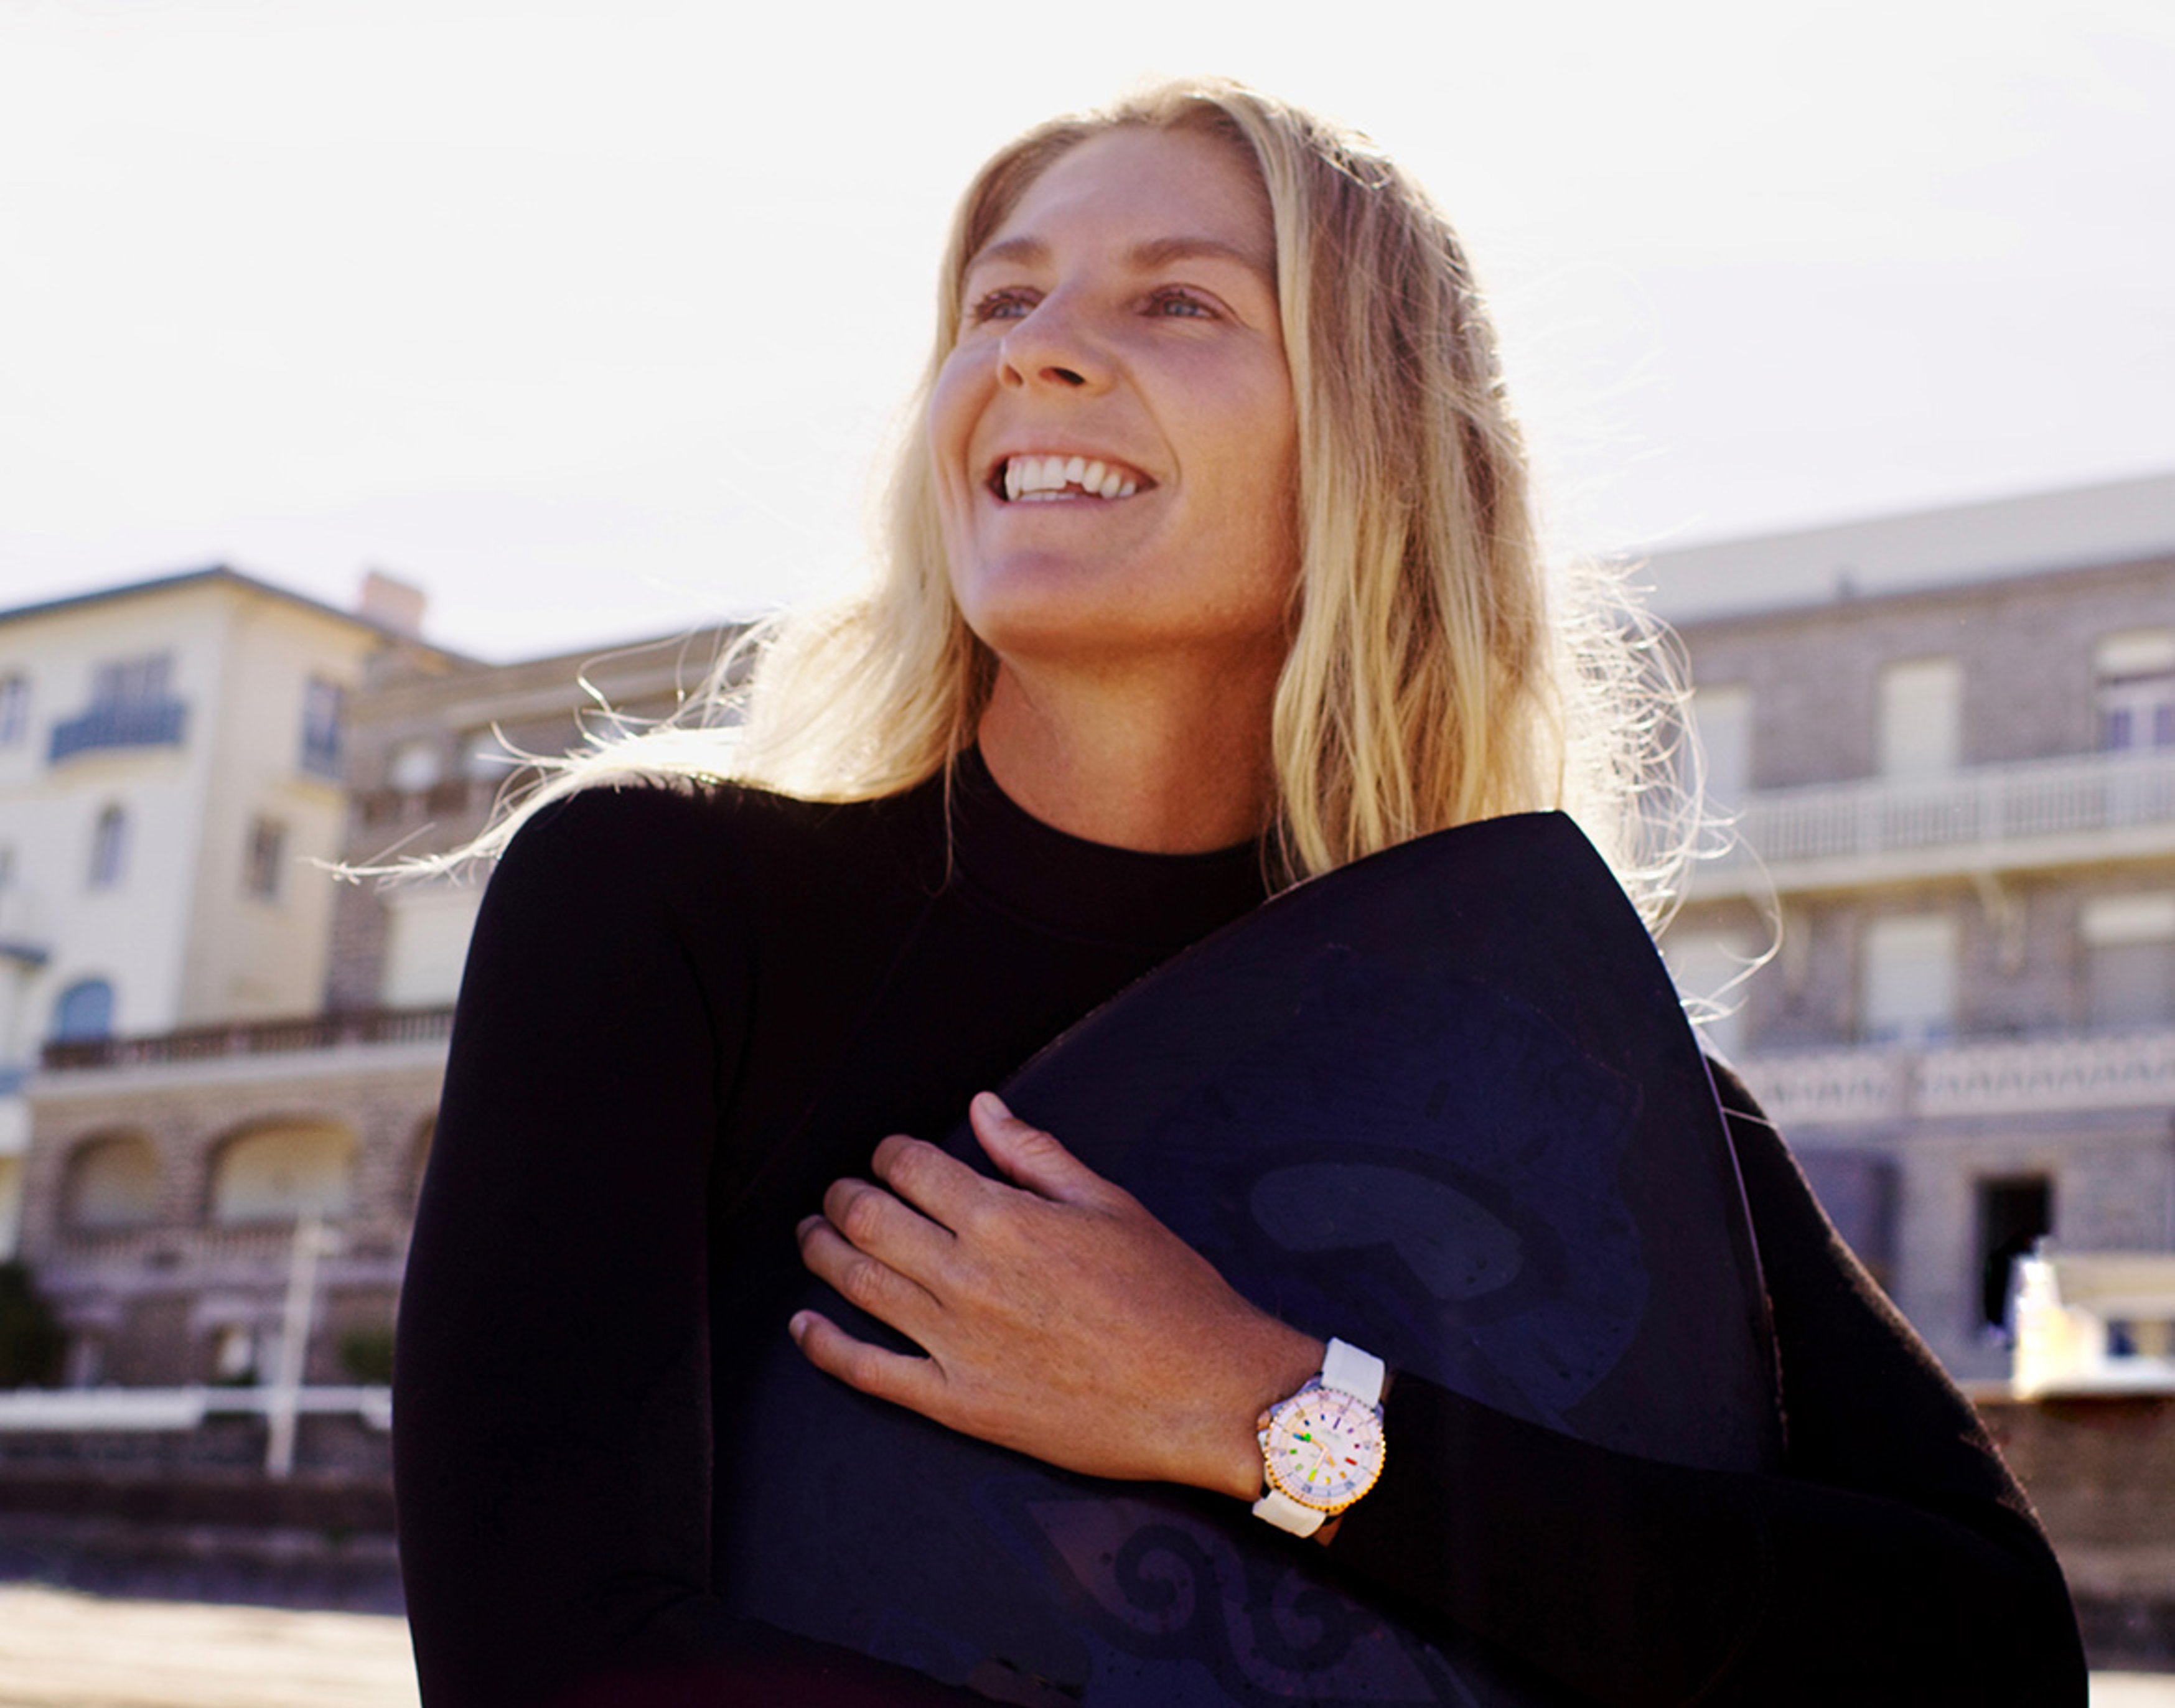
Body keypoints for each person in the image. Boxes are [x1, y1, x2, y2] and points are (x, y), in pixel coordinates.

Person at [391, 80, 2086, 1706]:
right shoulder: (663, 908)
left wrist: (1258, 1404)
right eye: (1002, 298)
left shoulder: (1545, 1056)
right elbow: (553, 1659)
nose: (1033, 348)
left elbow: (1993, 1657)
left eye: (1180, 302)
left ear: (1373, 442)